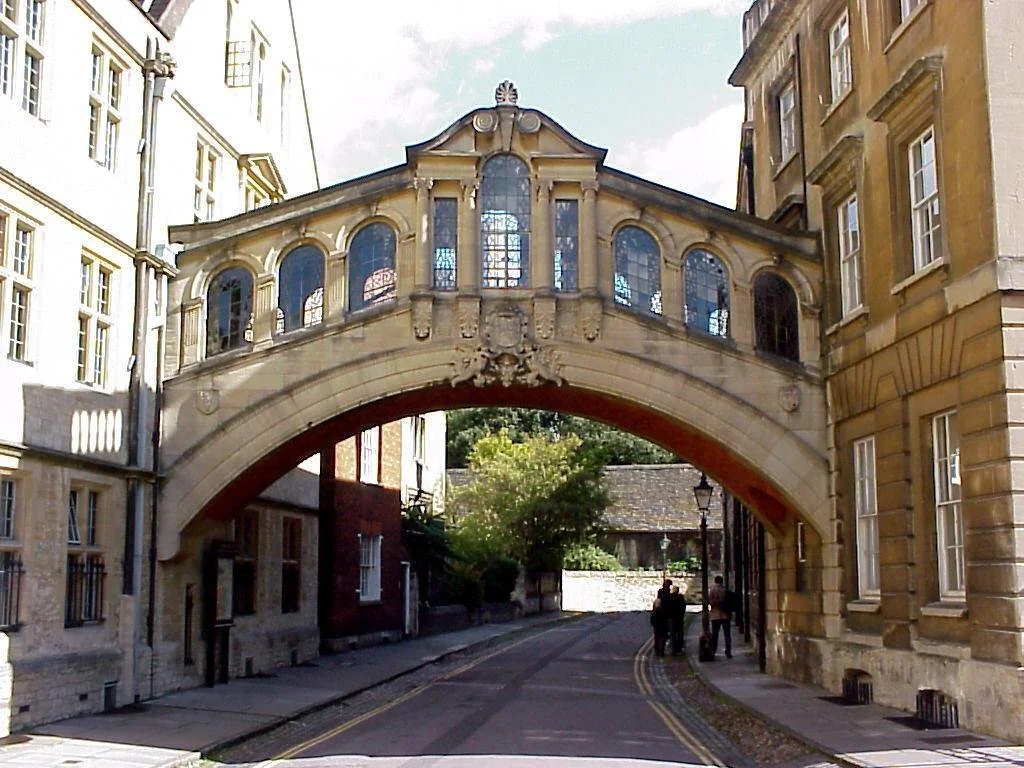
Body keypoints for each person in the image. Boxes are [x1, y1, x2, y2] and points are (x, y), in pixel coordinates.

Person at [708, 575, 732, 659]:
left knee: (715, 634)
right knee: (727, 634)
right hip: (725, 615)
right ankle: (728, 651)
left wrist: (716, 602)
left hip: (715, 615)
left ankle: (713, 651)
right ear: (721, 581)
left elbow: (710, 601)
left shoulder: (712, 590)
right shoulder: (725, 590)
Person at [669, 585, 687, 656]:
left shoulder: (670, 597)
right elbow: (683, 607)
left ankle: (673, 650)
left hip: (672, 618)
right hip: (679, 618)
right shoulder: (680, 597)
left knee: (672, 634)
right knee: (680, 633)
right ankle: (679, 648)